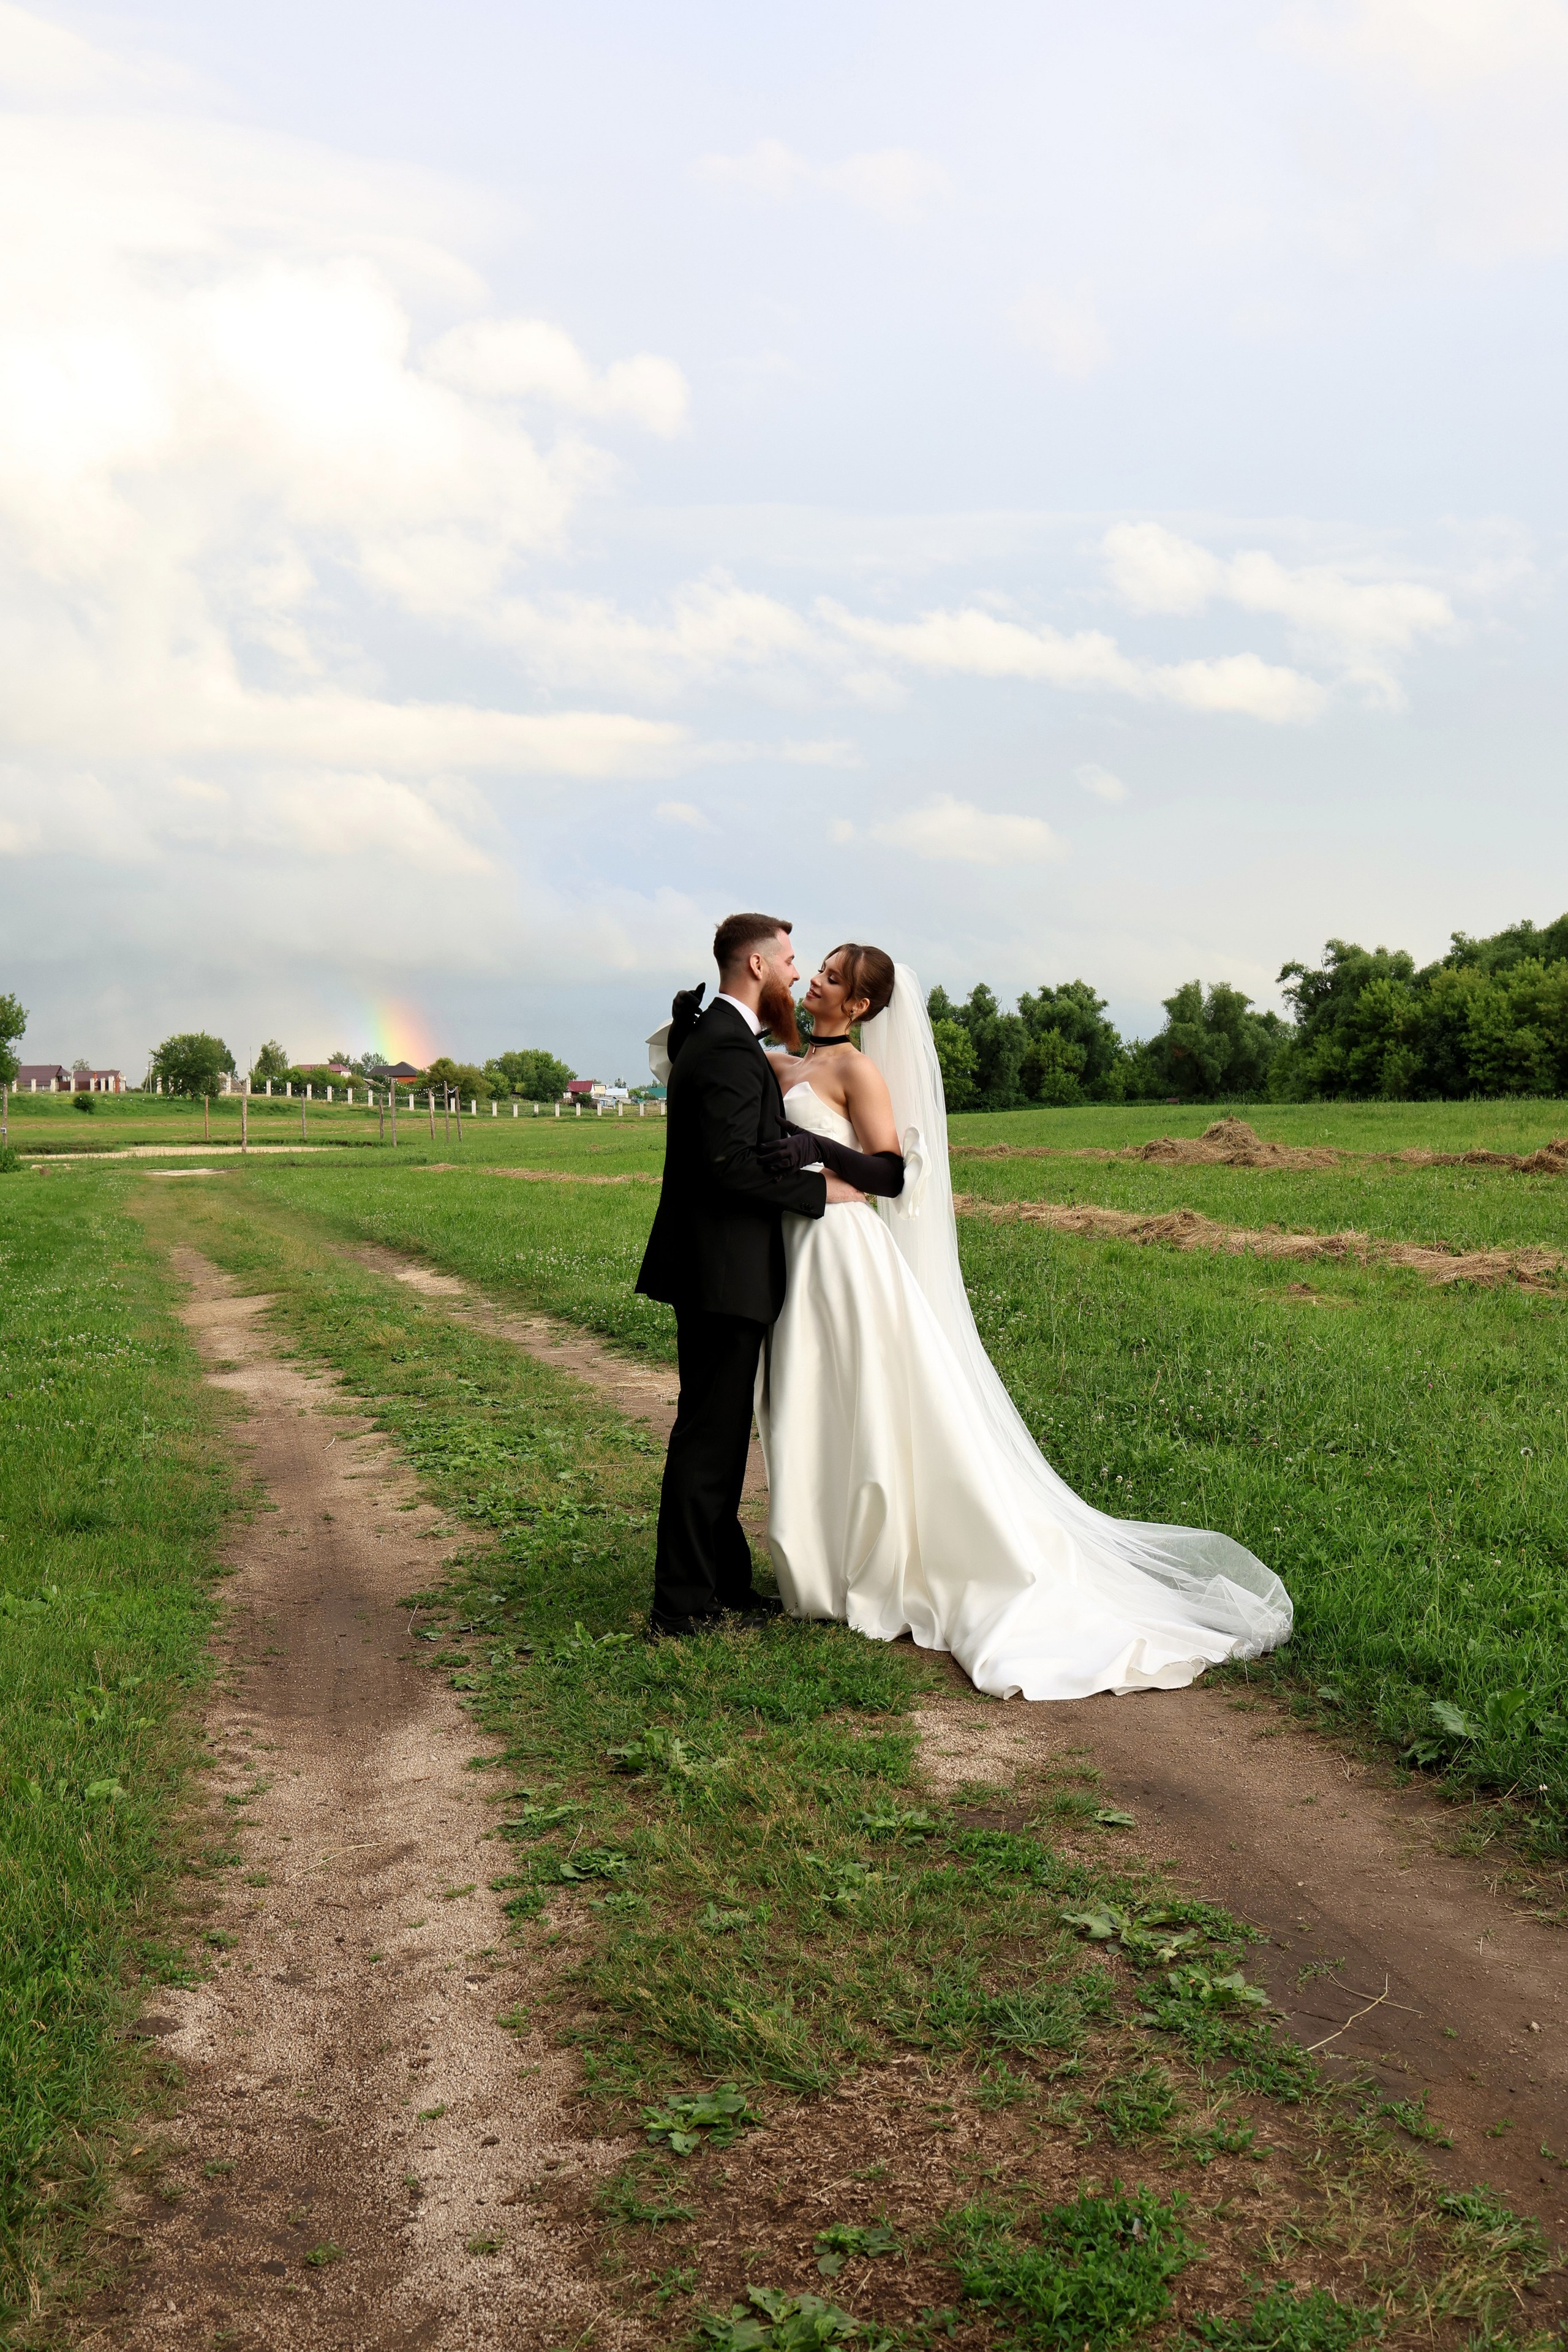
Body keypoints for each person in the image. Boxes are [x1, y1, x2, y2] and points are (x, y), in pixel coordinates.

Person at [747, 943, 1293, 1700]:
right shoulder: (784, 1063)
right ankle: (819, 1564)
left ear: (862, 1007)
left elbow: (890, 1173)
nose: (814, 980)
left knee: (861, 1402)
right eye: (818, 970)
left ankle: (881, 1564)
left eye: (831, 977)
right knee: (805, 1401)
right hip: (795, 1249)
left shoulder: (854, 1072)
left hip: (844, 1250)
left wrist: (813, 1146)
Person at [635, 913, 866, 1638]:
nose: (798, 974)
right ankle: (680, 1606)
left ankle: (723, 1583)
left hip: (714, 1268)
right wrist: (821, 1190)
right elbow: (731, 1167)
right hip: (721, 1273)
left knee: (722, 1433)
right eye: (792, 961)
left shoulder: (718, 1038)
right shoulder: (730, 1050)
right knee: (708, 1438)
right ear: (758, 966)